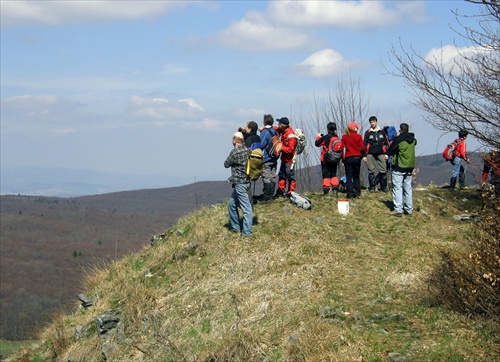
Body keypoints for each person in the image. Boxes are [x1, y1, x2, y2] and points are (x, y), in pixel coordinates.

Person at [224, 132, 253, 236]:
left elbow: (226, 164)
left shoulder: (234, 152)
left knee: (246, 208)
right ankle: (236, 228)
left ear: (234, 140)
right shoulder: (248, 150)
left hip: (239, 184)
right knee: (231, 204)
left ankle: (247, 233)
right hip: (247, 182)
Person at [387, 123, 417, 217]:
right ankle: (409, 209)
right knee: (408, 188)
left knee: (397, 187)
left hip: (399, 166)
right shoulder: (413, 140)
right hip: (409, 167)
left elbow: (390, 150)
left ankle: (398, 209)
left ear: (400, 130)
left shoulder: (399, 140)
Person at [254, 114, 279, 202]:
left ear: (264, 121)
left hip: (267, 157)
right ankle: (271, 194)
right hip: (275, 157)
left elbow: (262, 144)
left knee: (266, 176)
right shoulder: (275, 131)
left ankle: (267, 196)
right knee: (272, 176)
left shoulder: (265, 132)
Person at [363, 116, 389, 192]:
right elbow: (364, 144)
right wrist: (364, 155)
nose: (372, 123)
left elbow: (386, 143)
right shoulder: (367, 133)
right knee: (371, 170)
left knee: (383, 169)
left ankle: (383, 187)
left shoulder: (382, 132)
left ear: (376, 122)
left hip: (381, 152)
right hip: (370, 153)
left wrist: (386, 153)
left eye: (373, 122)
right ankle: (372, 187)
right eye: (371, 122)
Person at [315, 122, 341, 196]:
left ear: (328, 129)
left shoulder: (325, 137)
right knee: (333, 173)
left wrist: (318, 137)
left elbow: (317, 144)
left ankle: (326, 189)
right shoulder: (337, 138)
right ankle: (335, 189)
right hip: (335, 159)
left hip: (326, 158)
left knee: (326, 174)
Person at [341, 122, 365, 199]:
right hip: (357, 157)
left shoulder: (344, 137)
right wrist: (361, 155)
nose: (357, 129)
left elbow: (342, 148)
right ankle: (357, 192)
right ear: (353, 128)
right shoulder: (358, 136)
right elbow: (363, 148)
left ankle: (350, 193)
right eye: (356, 127)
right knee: (356, 176)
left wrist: (343, 159)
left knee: (349, 176)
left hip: (348, 158)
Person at [275, 117, 297, 197]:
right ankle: (281, 191)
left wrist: (281, 148)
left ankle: (290, 192)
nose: (278, 125)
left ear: (283, 125)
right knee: (282, 175)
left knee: (290, 176)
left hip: (289, 160)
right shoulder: (282, 131)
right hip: (284, 159)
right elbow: (275, 128)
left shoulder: (291, 136)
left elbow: (291, 150)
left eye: (279, 123)